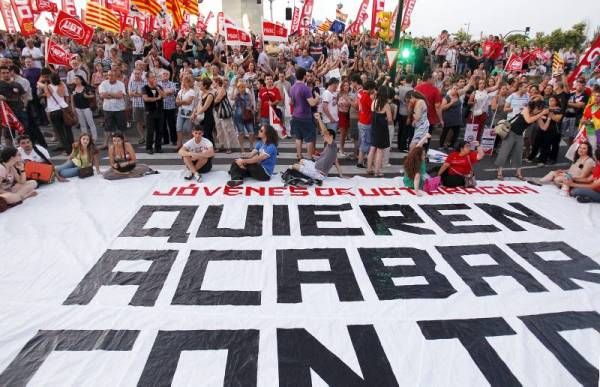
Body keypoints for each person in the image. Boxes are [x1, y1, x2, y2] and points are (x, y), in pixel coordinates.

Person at [495, 99, 548, 181]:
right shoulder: (526, 109)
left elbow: (543, 128)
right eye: (538, 109)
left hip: (519, 135)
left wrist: (549, 118)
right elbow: (528, 120)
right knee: (504, 152)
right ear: (534, 106)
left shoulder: (537, 115)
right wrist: (541, 114)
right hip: (511, 133)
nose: (538, 111)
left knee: (518, 154)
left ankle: (518, 173)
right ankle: (499, 172)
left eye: (540, 109)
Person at [292, 113, 344, 181]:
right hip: (315, 166)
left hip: (319, 173)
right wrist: (316, 156)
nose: (323, 136)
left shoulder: (333, 144)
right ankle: (305, 174)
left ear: (331, 136)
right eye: (323, 135)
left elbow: (325, 132)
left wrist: (319, 119)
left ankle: (306, 176)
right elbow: (336, 162)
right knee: (302, 161)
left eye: (324, 136)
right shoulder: (329, 146)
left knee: (294, 166)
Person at [290, 67, 320, 161]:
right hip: (305, 116)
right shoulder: (305, 88)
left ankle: (299, 156)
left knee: (298, 137)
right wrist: (318, 98)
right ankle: (310, 158)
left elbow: (291, 102)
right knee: (309, 138)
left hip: (295, 115)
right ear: (304, 76)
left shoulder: (292, 87)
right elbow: (312, 103)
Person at [43, 72, 74, 155]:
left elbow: (47, 95)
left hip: (54, 111)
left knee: (60, 132)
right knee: (68, 131)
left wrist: (45, 84)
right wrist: (67, 106)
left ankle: (68, 151)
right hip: (64, 108)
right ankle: (73, 148)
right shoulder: (63, 85)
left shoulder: (48, 87)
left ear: (50, 80)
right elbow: (67, 96)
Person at [367, 85, 393, 176]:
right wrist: (386, 119)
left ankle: (369, 168)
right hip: (382, 129)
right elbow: (390, 119)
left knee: (372, 148)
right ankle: (377, 171)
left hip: (374, 127)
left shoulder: (374, 101)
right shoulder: (386, 105)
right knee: (380, 150)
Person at [98, 69, 127, 147]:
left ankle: (123, 142)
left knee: (122, 127)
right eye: (109, 75)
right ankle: (105, 144)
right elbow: (102, 95)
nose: (111, 77)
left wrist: (109, 93)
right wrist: (115, 95)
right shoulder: (103, 84)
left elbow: (120, 96)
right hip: (108, 108)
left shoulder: (121, 84)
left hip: (119, 108)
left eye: (113, 75)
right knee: (107, 127)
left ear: (116, 76)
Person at [142, 72, 164, 154]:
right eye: (152, 77)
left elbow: (164, 95)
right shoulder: (144, 88)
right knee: (150, 131)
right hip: (150, 112)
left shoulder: (159, 86)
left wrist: (157, 88)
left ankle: (158, 147)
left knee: (160, 130)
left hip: (160, 111)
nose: (154, 79)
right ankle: (149, 147)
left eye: (154, 77)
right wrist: (156, 98)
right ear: (147, 79)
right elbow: (146, 98)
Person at [71, 75, 98, 141]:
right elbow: (72, 99)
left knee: (90, 123)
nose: (75, 80)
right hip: (78, 108)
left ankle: (94, 138)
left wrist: (87, 96)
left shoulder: (86, 88)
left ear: (81, 80)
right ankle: (85, 138)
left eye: (77, 79)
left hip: (86, 107)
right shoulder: (73, 88)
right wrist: (73, 108)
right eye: (75, 79)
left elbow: (93, 95)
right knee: (82, 124)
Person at [356, 80, 376, 168]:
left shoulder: (361, 93)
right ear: (370, 88)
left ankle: (361, 161)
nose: (374, 91)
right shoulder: (366, 97)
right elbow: (374, 107)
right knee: (366, 142)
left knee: (363, 141)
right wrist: (374, 97)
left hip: (361, 121)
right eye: (373, 89)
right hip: (366, 122)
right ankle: (360, 162)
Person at [232, 80, 256, 153]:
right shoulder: (236, 95)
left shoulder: (248, 95)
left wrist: (251, 108)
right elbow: (232, 97)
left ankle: (251, 146)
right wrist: (235, 88)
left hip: (247, 115)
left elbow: (251, 103)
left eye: (243, 86)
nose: (242, 88)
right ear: (238, 88)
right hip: (238, 116)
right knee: (241, 132)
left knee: (251, 132)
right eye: (241, 87)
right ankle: (242, 148)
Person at [175, 74, 197, 150]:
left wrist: (180, 102)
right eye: (182, 81)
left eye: (185, 81)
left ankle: (188, 145)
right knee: (179, 128)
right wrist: (182, 102)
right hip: (180, 112)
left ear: (188, 82)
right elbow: (176, 101)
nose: (183, 83)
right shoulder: (180, 91)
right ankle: (179, 144)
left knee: (187, 129)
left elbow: (189, 102)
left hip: (189, 113)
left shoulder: (192, 91)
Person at [191, 78, 215, 144]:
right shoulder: (202, 94)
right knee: (202, 134)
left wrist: (196, 114)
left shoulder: (210, 95)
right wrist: (194, 113)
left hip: (208, 117)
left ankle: (211, 148)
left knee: (208, 134)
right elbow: (198, 105)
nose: (199, 85)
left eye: (201, 84)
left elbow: (205, 107)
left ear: (205, 86)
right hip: (202, 117)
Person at [128, 68, 148, 144]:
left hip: (145, 104)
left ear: (141, 74)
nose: (136, 75)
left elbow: (147, 93)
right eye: (135, 74)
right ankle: (142, 137)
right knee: (138, 122)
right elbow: (130, 94)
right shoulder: (131, 82)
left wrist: (136, 93)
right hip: (136, 105)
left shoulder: (145, 81)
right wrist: (140, 94)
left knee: (147, 122)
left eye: (138, 74)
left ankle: (148, 136)